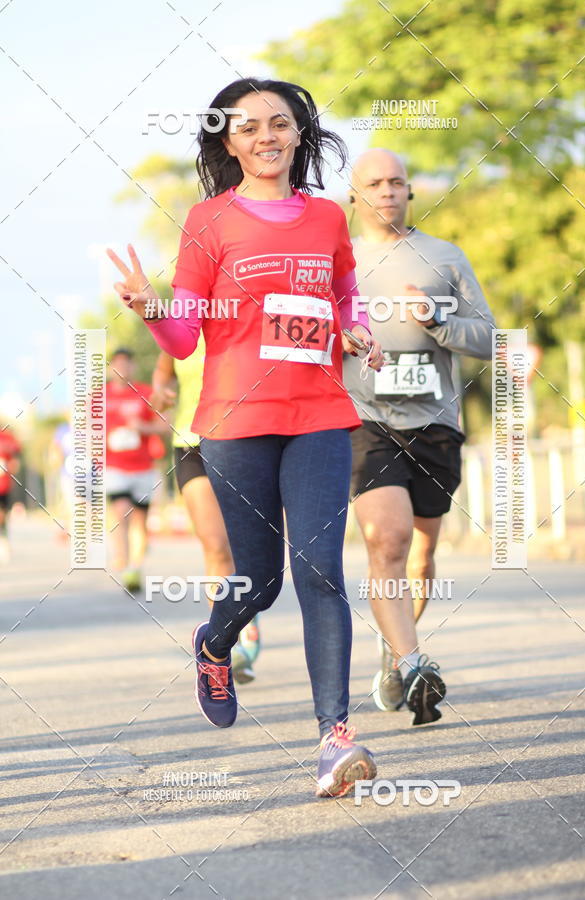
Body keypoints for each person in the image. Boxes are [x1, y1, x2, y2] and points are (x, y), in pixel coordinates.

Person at [107, 77, 385, 797]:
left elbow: (345, 296)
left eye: (280, 123)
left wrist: (358, 330)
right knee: (256, 580)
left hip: (320, 414)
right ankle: (214, 641)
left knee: (320, 571)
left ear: (299, 133)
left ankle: (334, 737)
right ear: (228, 142)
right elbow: (185, 335)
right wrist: (148, 309)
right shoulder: (209, 222)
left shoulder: (327, 217)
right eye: (249, 127)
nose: (267, 136)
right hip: (235, 423)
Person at [344, 148, 495, 725]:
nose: (387, 191)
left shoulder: (444, 257)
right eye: (374, 183)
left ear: (410, 191)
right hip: (364, 420)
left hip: (435, 424)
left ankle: (393, 646)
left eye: (397, 182)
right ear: (354, 196)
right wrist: (338, 342)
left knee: (422, 554)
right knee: (389, 542)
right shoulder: (338, 261)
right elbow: (302, 337)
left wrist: (438, 319)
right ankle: (412, 664)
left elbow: (488, 338)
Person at [150, 347, 262, 684]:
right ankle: (228, 640)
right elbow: (163, 370)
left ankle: (246, 615)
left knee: (247, 545)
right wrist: (160, 390)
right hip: (190, 443)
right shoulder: (184, 321)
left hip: (244, 439)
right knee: (215, 544)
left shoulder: (243, 313)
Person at [105, 347, 170, 592]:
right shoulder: (99, 397)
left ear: (132, 367)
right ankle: (122, 561)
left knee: (140, 521)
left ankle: (135, 567)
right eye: (117, 364)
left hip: (143, 466)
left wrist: (142, 427)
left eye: (126, 364)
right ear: (111, 368)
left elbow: (164, 426)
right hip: (115, 466)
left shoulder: (145, 393)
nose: (122, 369)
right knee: (121, 512)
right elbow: (86, 428)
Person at [0, 424, 21, 564]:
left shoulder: (7, 437)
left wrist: (14, 464)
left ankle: (4, 539)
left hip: (3, 483)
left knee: (2, 513)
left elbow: (16, 457)